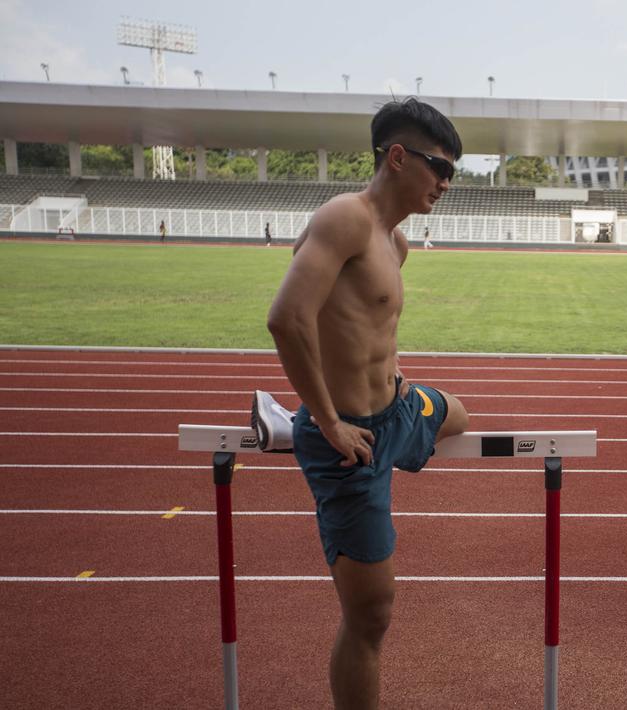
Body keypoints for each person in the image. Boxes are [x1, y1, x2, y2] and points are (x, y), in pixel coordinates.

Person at [251, 97, 470, 709]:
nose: (446, 183)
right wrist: (327, 421)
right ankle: (298, 424)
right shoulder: (345, 218)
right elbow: (287, 320)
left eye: (453, 171)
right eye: (439, 167)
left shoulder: (393, 243)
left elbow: (370, 334)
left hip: (395, 411)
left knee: (459, 412)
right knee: (372, 614)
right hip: (351, 443)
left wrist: (397, 387)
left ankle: (358, 412)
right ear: (398, 157)